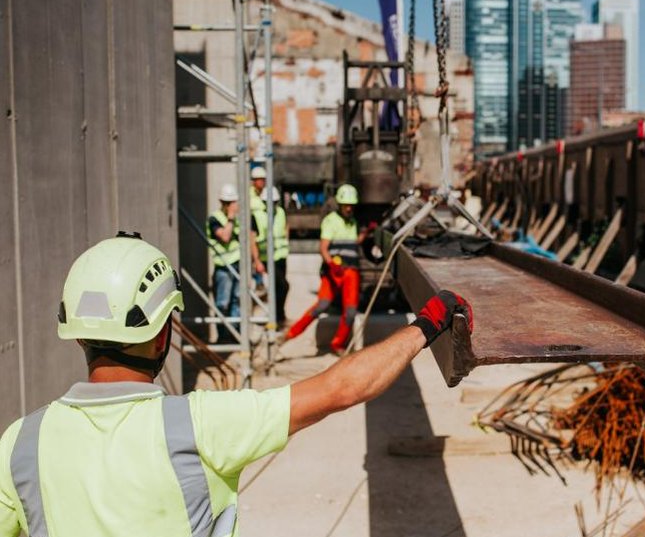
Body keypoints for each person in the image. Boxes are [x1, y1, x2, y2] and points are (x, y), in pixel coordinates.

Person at [0, 232, 472, 537]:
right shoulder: (199, 426)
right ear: (163, 332)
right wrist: (427, 324)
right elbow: (341, 388)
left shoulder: (20, 445)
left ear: (77, 332)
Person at [284, 183, 371, 353]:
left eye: (351, 206)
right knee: (321, 306)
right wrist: (331, 264)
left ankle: (337, 344)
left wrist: (366, 233)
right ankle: (290, 334)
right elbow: (323, 248)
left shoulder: (352, 222)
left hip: (351, 272)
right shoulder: (330, 221)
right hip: (334, 271)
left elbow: (352, 242)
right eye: (346, 205)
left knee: (351, 312)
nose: (348, 209)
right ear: (340, 204)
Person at [206, 184, 263, 342]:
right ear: (224, 203)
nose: (235, 206)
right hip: (223, 269)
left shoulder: (240, 218)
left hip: (239, 265)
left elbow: (251, 238)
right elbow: (224, 236)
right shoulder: (215, 218)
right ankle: (223, 337)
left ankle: (236, 336)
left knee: (237, 301)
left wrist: (255, 260)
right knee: (222, 303)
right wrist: (231, 217)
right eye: (232, 203)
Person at [253, 185, 290, 327]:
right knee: (283, 286)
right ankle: (276, 315)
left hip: (280, 256)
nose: (272, 206)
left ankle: (278, 316)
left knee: (279, 287)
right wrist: (257, 261)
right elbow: (252, 239)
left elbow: (286, 226)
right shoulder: (256, 216)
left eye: (274, 203)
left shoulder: (280, 212)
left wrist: (286, 241)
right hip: (266, 258)